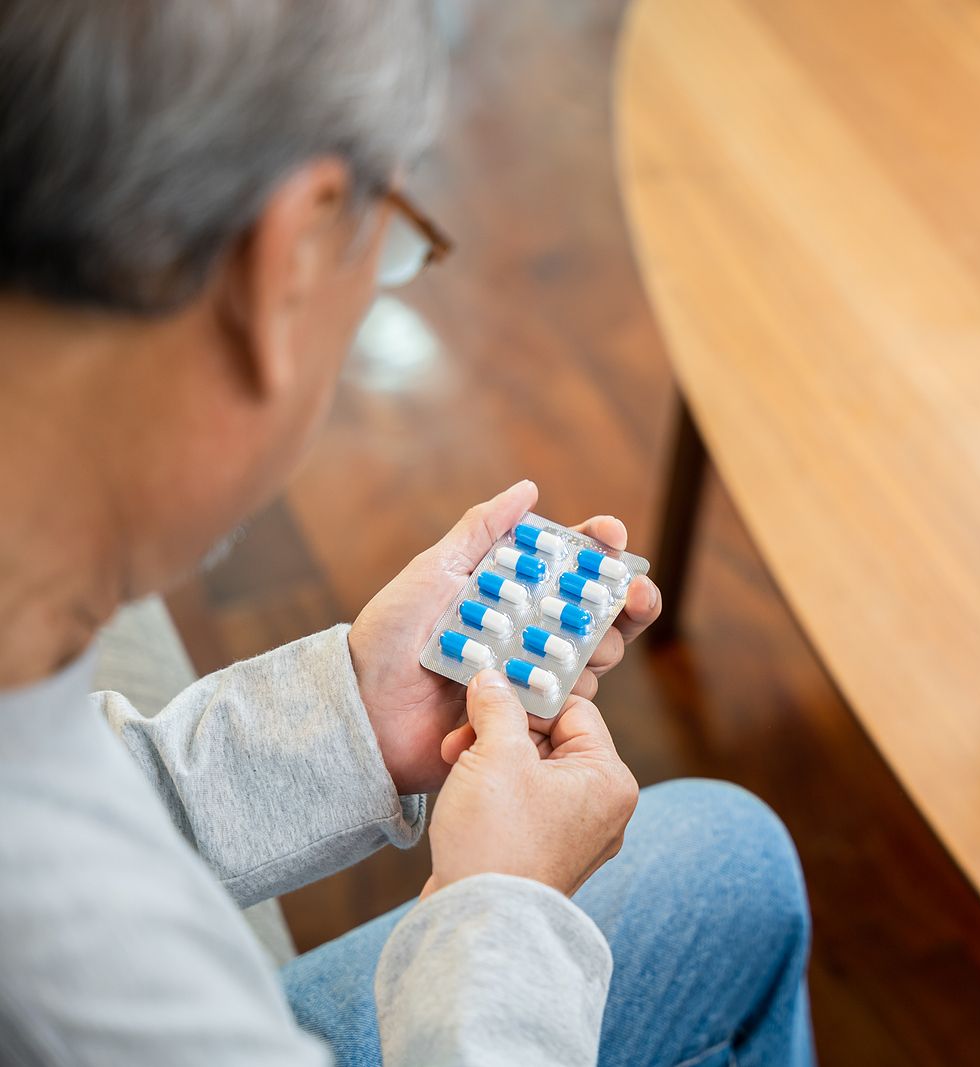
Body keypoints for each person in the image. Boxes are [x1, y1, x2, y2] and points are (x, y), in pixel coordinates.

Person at [0, 2, 814, 1064]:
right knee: (730, 859)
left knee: (731, 858)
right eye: (384, 249)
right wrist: (501, 906)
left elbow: (69, 785)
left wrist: (345, 719)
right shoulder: (85, 984)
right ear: (284, 262)